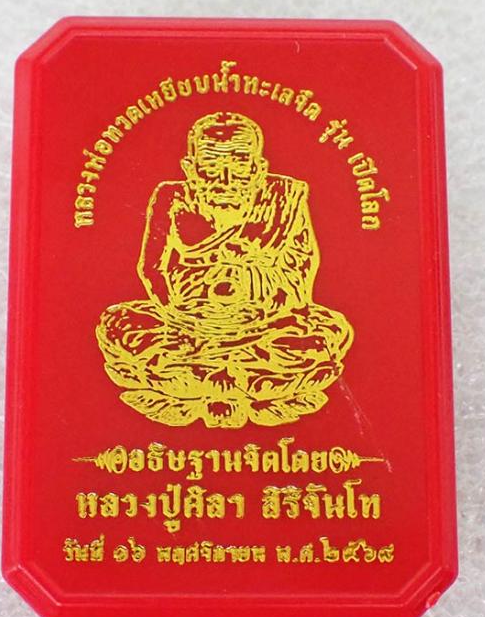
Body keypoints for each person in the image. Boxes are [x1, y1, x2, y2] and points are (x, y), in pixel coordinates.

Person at [96, 111, 353, 428]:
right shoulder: (171, 198)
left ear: (259, 168)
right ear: (190, 169)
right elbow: (151, 268)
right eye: (212, 165)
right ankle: (237, 372)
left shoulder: (285, 199)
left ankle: (197, 372)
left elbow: (301, 267)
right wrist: (181, 314)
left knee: (330, 330)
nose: (226, 178)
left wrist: (258, 304)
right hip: (187, 324)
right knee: (119, 323)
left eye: (239, 162)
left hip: (265, 325)